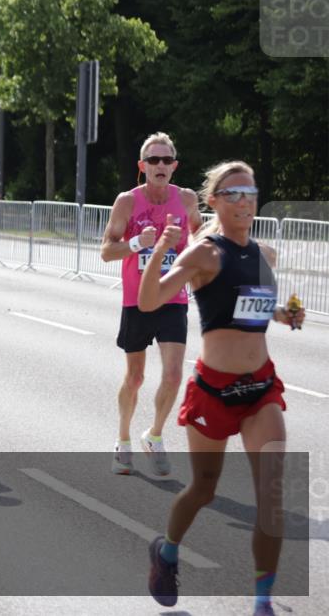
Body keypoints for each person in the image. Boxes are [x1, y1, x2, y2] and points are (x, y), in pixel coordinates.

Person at [139, 161, 304, 614]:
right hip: (213, 391)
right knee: (203, 489)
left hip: (260, 390)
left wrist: (285, 314)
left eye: (250, 191)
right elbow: (150, 300)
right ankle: (167, 551)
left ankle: (263, 603)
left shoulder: (265, 254)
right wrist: (161, 252)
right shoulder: (203, 253)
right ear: (213, 201)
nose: (244, 200)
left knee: (271, 496)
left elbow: (255, 307)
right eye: (233, 193)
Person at [100, 132, 202, 476]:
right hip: (137, 300)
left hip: (173, 297)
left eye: (167, 160)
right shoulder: (127, 202)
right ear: (142, 166)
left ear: (175, 166)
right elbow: (105, 251)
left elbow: (201, 241)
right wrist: (133, 244)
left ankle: (155, 435)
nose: (161, 165)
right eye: (154, 160)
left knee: (174, 375)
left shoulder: (187, 200)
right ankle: (123, 440)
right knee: (136, 377)